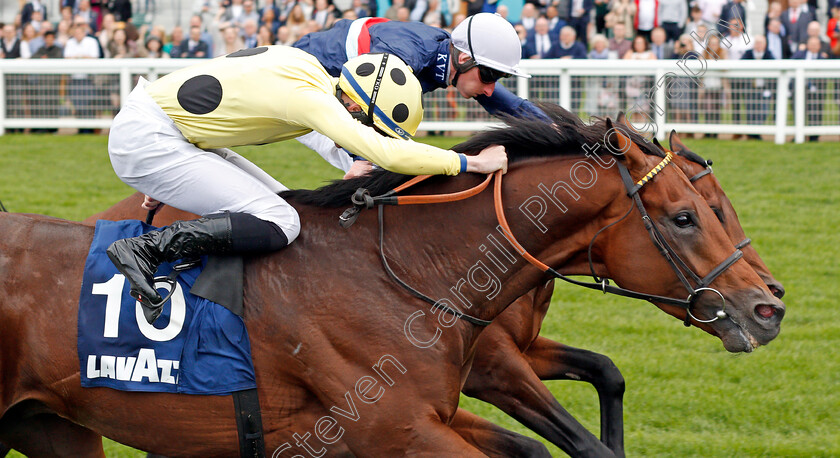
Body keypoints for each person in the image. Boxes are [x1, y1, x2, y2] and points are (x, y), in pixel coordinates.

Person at [106, 48, 508, 324]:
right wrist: (469, 161)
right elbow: (381, 152)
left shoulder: (308, 70)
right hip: (155, 140)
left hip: (165, 130)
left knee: (286, 206)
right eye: (367, 123)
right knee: (283, 220)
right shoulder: (311, 100)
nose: (362, 130)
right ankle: (145, 250)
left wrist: (349, 163)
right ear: (354, 106)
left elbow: (314, 128)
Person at [293, 13, 544, 175]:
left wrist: (561, 130)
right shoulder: (410, 54)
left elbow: (510, 106)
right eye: (490, 76)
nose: (490, 88)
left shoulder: (450, 54)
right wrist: (360, 158)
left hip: (342, 91)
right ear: (465, 59)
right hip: (306, 83)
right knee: (384, 167)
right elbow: (365, 104)